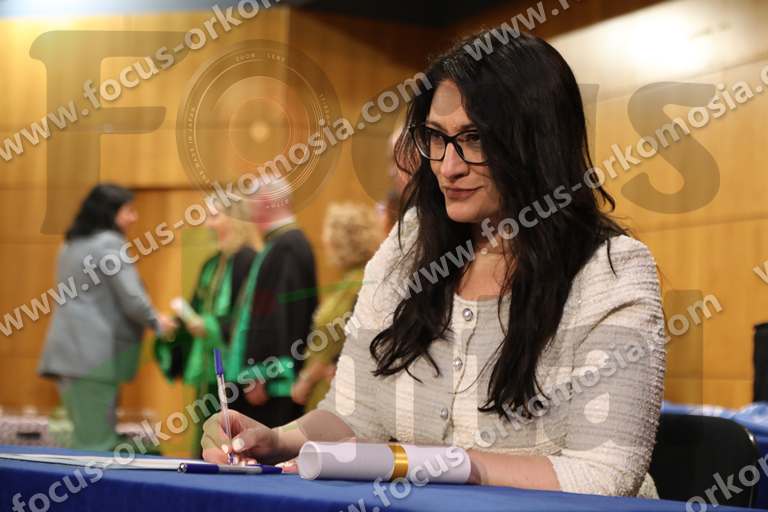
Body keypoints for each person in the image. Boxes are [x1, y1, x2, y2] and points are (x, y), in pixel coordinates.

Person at [201, 31, 666, 498]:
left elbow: (606, 475)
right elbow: (354, 416)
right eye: (437, 138)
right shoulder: (407, 249)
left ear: (538, 142)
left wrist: (446, 464)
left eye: (474, 138)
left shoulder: (611, 272)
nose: (447, 166)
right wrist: (276, 440)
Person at [38, 184, 174, 451]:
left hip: (66, 354)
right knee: (96, 446)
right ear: (109, 212)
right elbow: (131, 296)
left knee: (84, 438)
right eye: (129, 211)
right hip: (93, 356)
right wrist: (157, 320)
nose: (134, 217)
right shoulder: (109, 243)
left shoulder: (71, 243)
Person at [154, 199, 263, 456]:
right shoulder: (213, 263)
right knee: (207, 426)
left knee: (230, 428)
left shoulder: (248, 259)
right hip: (208, 360)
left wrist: (211, 326)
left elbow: (248, 317)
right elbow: (197, 305)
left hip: (235, 363)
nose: (207, 224)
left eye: (214, 217)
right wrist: (178, 323)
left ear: (234, 219)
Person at [232, 178, 318, 427]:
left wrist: (261, 371)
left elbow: (278, 314)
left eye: (251, 200)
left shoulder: (288, 246)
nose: (248, 208)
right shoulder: (280, 243)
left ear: (266, 201)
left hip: (273, 384)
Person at [290, 202, 381, 411]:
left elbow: (337, 339)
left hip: (332, 390)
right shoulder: (350, 281)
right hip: (326, 386)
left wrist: (306, 380)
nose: (325, 241)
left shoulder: (358, 284)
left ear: (340, 241)